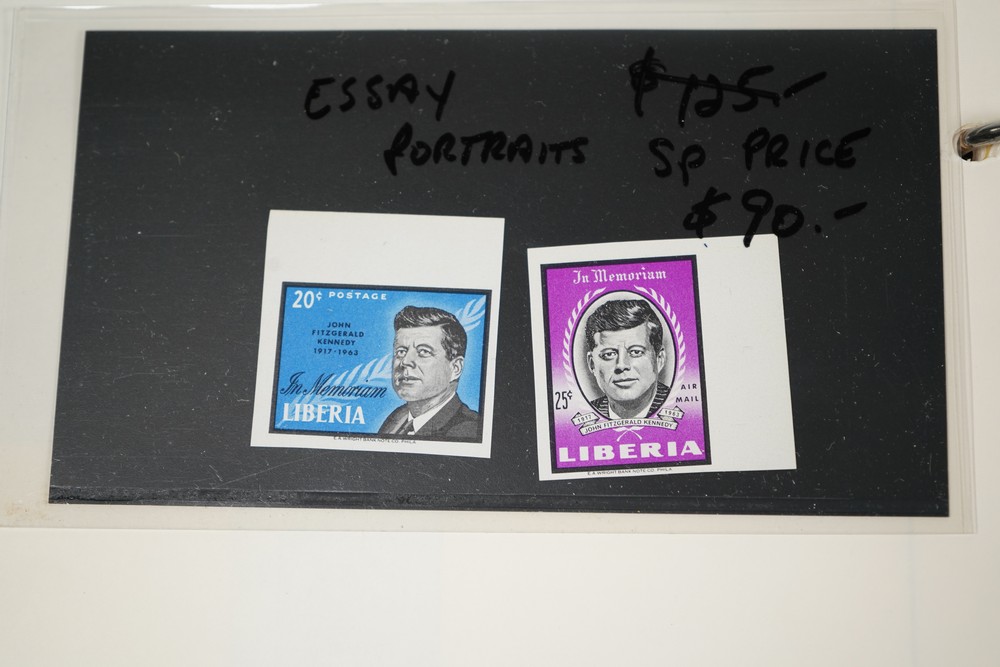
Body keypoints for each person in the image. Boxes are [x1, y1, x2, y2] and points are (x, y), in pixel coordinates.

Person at [378, 305, 481, 439]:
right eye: (401, 351)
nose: (405, 361)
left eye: (423, 351)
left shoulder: (470, 430)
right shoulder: (397, 417)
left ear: (455, 368)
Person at [583, 298, 671, 420]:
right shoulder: (587, 412)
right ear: (592, 364)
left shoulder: (678, 405)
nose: (621, 365)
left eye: (636, 352)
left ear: (659, 359)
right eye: (609, 354)